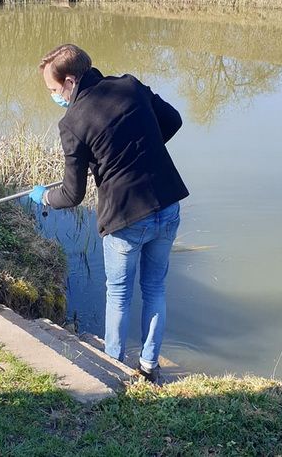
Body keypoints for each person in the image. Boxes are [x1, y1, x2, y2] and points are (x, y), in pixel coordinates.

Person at [30, 44, 189, 382]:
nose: (54, 96)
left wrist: (44, 197)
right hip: (168, 203)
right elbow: (173, 119)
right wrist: (142, 150)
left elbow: (72, 194)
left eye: (54, 90)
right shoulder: (130, 85)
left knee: (118, 295)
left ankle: (113, 367)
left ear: (70, 81)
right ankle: (149, 366)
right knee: (155, 289)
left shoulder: (73, 122)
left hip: (125, 217)